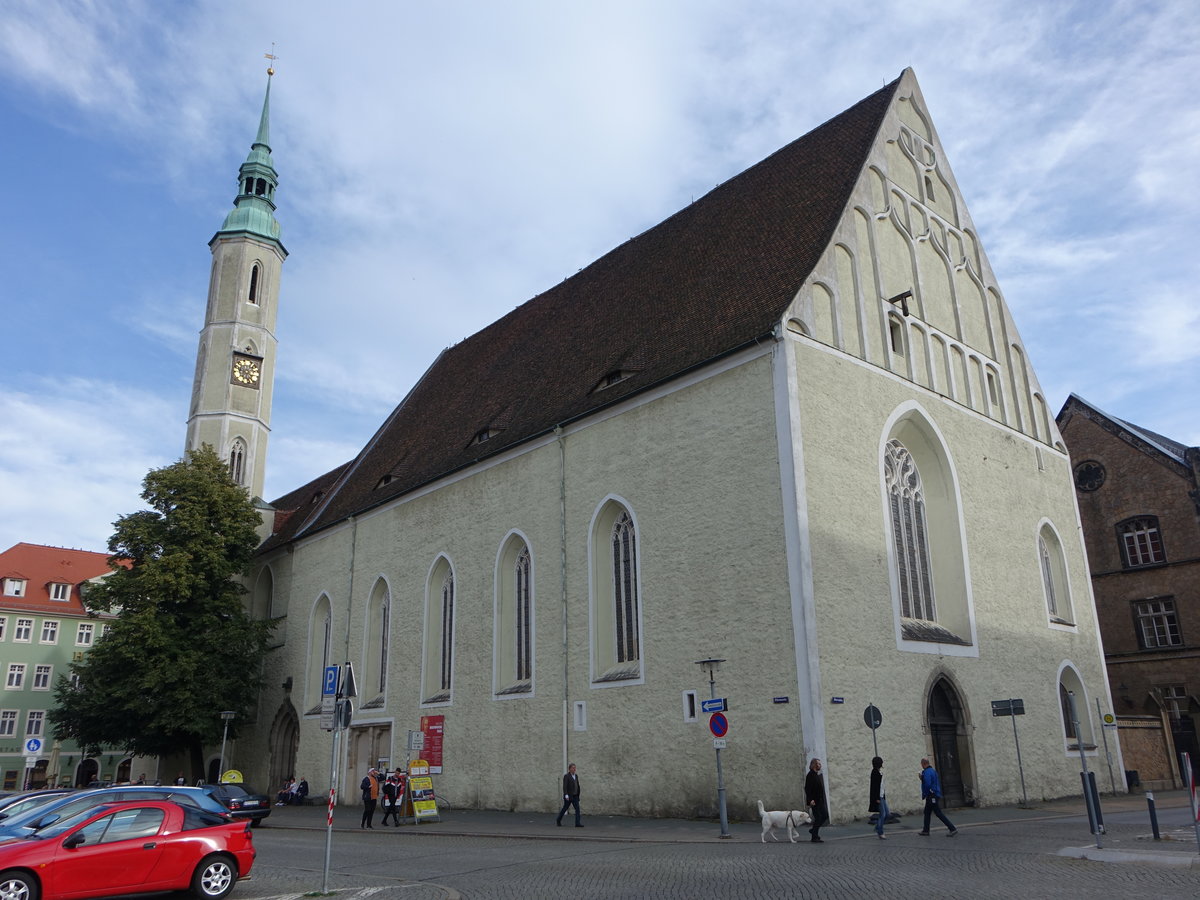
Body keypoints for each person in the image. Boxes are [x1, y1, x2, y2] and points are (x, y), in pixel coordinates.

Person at [919, 757, 958, 837]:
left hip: (931, 795)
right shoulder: (933, 771)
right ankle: (926, 830)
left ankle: (952, 828)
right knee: (927, 812)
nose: (921, 766)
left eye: (922, 764)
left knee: (938, 813)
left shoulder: (926, 772)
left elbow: (927, 784)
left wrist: (924, 793)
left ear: (923, 764)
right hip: (935, 794)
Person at [804, 758, 828, 843]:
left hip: (820, 800)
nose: (820, 765)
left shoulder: (816, 775)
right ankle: (814, 837)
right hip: (814, 801)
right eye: (819, 764)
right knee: (818, 818)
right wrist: (810, 800)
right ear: (814, 765)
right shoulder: (810, 775)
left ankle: (814, 830)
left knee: (825, 816)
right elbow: (808, 789)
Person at [556, 763, 582, 827]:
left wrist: (578, 793)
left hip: (575, 796)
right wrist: (566, 795)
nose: (574, 769)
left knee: (577, 809)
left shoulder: (576, 776)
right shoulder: (566, 776)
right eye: (573, 768)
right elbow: (565, 786)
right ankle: (558, 820)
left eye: (575, 768)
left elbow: (577, 785)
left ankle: (577, 823)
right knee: (565, 808)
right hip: (569, 796)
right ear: (569, 769)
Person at [869, 757, 889, 839]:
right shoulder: (874, 772)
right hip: (878, 797)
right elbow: (875, 787)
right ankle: (880, 832)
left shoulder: (878, 772)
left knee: (887, 814)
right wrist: (876, 798)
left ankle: (877, 827)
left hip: (882, 796)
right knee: (883, 814)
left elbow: (881, 786)